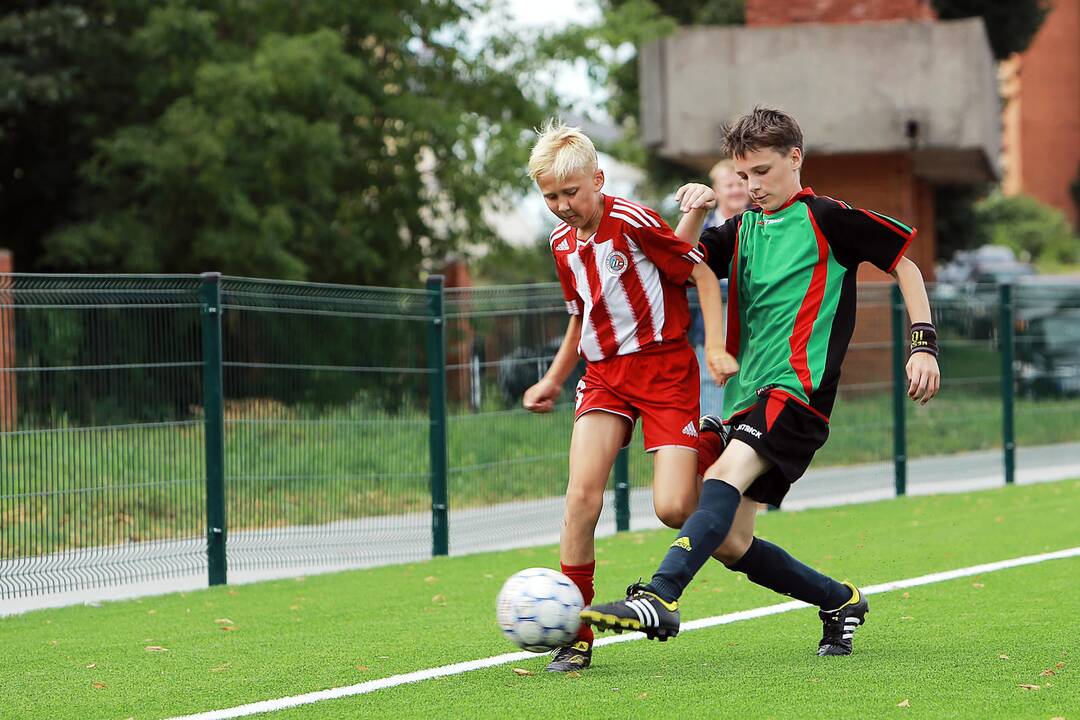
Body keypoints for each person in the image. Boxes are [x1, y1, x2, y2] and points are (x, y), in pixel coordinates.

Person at [581, 107, 941, 656]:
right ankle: (839, 599)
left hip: (797, 395)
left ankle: (660, 595)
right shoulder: (741, 228)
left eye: (764, 172)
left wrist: (923, 343)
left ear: (795, 157)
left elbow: (906, 265)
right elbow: (677, 270)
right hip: (745, 396)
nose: (753, 186)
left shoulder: (829, 218)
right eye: (744, 176)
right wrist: (696, 214)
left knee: (724, 474)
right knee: (725, 538)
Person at [522, 120, 736, 672]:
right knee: (580, 499)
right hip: (605, 376)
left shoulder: (631, 220)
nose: (563, 205)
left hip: (665, 371)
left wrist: (714, 349)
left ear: (598, 178)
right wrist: (551, 378)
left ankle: (709, 444)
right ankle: (576, 636)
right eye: (551, 197)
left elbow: (696, 272)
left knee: (673, 509)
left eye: (572, 192)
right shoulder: (561, 245)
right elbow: (580, 317)